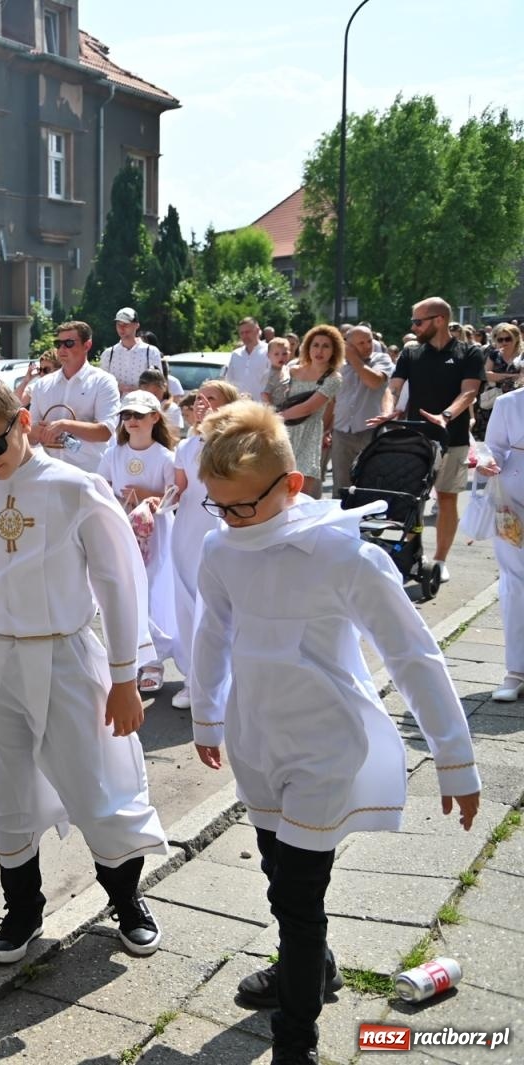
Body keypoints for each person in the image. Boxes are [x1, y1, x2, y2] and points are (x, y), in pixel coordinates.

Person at [190, 401, 480, 1065]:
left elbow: (413, 653)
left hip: (324, 744)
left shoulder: (344, 554)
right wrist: (206, 713)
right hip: (256, 735)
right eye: (219, 507)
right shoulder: (221, 547)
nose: (231, 522)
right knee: (276, 872)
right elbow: (213, 628)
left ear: (291, 487)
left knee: (299, 893)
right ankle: (312, 966)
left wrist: (454, 758)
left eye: (243, 508)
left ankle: (297, 1037)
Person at [0, 375, 167, 966]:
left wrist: (126, 677)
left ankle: (126, 901)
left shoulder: (76, 488)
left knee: (96, 785)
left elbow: (120, 584)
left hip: (66, 654)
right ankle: (21, 910)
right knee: (5, 786)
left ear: (23, 419)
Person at [368, 297, 484, 584]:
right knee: (411, 500)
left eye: (418, 321)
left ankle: (441, 560)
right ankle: (409, 553)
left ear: (439, 320)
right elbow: (392, 388)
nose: (414, 326)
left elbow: (469, 392)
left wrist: (446, 415)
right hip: (415, 439)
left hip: (451, 438)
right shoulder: (411, 353)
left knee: (446, 498)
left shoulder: (469, 353)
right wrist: (386, 411)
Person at [98, 391, 180, 695]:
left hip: (155, 534)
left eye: (138, 415)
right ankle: (128, 659)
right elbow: (102, 486)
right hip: (122, 529)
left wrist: (148, 496)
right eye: (127, 415)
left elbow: (174, 496)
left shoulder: (165, 457)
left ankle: (154, 662)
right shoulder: (114, 454)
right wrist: (117, 499)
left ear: (154, 418)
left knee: (154, 593)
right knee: (125, 592)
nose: (131, 421)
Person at [168, 379, 240, 711]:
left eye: (212, 399)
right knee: (186, 605)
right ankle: (193, 680)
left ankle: (224, 681)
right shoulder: (186, 445)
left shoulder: (234, 442)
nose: (203, 403)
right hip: (186, 531)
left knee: (216, 607)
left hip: (218, 528)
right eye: (200, 399)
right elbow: (179, 490)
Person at [476, 388, 524, 701]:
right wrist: (485, 461)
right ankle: (515, 670)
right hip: (511, 501)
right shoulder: (509, 402)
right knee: (514, 581)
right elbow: (492, 447)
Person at [27, 321, 122, 475]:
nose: (62, 349)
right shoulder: (42, 385)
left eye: (69, 343)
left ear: (87, 345)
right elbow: (28, 432)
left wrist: (64, 425)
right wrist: (42, 432)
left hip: (89, 473)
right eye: (58, 344)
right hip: (49, 473)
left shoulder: (103, 381)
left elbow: (105, 432)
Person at [267, 325, 344, 499]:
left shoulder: (334, 378)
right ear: (307, 347)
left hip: (308, 436)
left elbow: (309, 407)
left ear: (334, 351)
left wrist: (275, 417)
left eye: (326, 346)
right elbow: (273, 393)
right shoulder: (291, 370)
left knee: (300, 495)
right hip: (282, 433)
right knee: (275, 490)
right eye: (315, 345)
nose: (320, 350)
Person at [329, 326, 395, 495]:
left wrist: (354, 359)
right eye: (361, 343)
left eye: (369, 341)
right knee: (341, 487)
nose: (367, 346)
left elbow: (374, 382)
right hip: (342, 432)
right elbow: (332, 400)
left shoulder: (382, 359)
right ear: (348, 345)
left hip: (371, 431)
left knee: (373, 483)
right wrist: (325, 429)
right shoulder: (337, 366)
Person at [98, 307, 164, 392]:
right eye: (119, 324)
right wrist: (117, 387)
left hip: (142, 403)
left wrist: (137, 391)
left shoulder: (151, 352)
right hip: (115, 404)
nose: (121, 328)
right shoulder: (108, 353)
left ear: (137, 325)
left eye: (126, 324)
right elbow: (101, 384)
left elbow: (158, 384)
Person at [223, 317, 270, 401]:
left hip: (262, 407)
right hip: (240, 406)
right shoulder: (235, 354)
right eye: (242, 333)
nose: (245, 336)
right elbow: (229, 381)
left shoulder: (269, 352)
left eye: (248, 332)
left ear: (257, 330)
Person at [137, 368, 182, 433]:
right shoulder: (132, 407)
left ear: (164, 389)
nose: (152, 397)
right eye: (148, 393)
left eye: (156, 393)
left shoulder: (172, 409)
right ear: (140, 389)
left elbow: (174, 436)